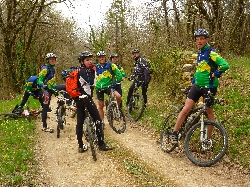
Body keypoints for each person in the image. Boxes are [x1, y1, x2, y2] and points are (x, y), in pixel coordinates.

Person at [170, 29, 230, 144]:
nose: (199, 41)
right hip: (197, 86)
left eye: (201, 38)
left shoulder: (211, 52)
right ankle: (174, 133)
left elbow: (225, 65)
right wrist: (192, 82)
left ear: (207, 39)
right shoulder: (200, 53)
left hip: (210, 87)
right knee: (186, 109)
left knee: (208, 111)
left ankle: (207, 139)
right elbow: (199, 71)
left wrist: (216, 74)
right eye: (197, 39)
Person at [75, 51, 114, 152]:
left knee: (79, 122)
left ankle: (80, 146)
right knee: (97, 119)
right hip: (86, 99)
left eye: (90, 59)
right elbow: (93, 82)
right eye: (87, 60)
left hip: (78, 99)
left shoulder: (80, 70)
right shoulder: (85, 71)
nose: (90, 61)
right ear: (82, 62)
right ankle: (101, 144)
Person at [95, 51, 123, 122]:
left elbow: (119, 75)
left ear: (105, 57)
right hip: (99, 88)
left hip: (108, 87)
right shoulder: (96, 67)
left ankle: (116, 108)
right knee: (101, 106)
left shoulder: (111, 65)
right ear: (98, 58)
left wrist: (115, 82)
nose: (101, 58)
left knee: (118, 96)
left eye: (103, 57)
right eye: (100, 57)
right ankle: (102, 121)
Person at [38, 52, 57, 132]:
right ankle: (44, 126)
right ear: (48, 60)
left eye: (54, 59)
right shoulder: (45, 68)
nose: (52, 60)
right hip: (46, 90)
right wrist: (43, 85)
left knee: (66, 87)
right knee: (45, 107)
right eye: (51, 59)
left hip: (51, 88)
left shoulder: (53, 68)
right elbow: (39, 80)